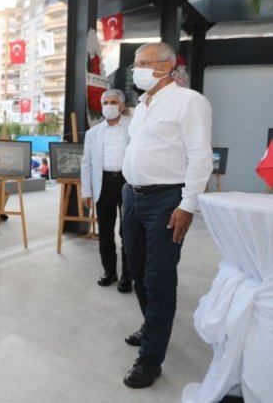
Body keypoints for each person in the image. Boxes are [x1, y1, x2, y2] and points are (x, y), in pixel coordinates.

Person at [120, 42, 212, 389]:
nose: (135, 69)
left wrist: (188, 205)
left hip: (165, 200)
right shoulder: (142, 105)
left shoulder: (190, 102)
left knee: (159, 278)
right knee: (138, 271)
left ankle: (150, 357)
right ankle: (151, 324)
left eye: (142, 63)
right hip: (132, 196)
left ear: (166, 67)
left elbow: (201, 157)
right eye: (134, 63)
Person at [80, 88, 132, 293]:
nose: (109, 106)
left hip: (128, 183)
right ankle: (109, 271)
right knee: (106, 232)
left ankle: (128, 276)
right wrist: (86, 191)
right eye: (105, 103)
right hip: (103, 184)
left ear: (121, 105)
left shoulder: (133, 127)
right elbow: (86, 163)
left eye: (113, 102)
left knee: (127, 232)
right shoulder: (93, 133)